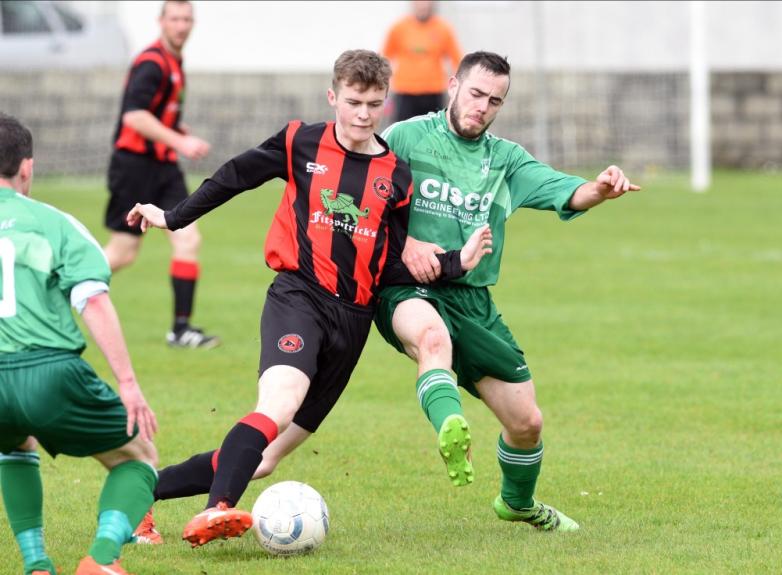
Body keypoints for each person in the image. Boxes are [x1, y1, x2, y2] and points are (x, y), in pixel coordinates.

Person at [126, 49, 492, 548]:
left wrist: (456, 263)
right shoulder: (301, 141)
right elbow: (234, 176)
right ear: (333, 96)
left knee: (267, 457)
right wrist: (174, 216)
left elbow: (388, 263)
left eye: (374, 104)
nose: (363, 114)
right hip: (298, 296)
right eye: (353, 102)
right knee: (278, 402)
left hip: (353, 321)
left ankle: (138, 491)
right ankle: (217, 509)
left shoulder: (396, 176)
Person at [374, 51, 641, 531]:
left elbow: (565, 189)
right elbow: (363, 195)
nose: (482, 106)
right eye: (475, 93)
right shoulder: (405, 137)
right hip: (407, 289)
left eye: (494, 101)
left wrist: (600, 188)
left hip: (475, 302)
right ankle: (450, 428)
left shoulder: (506, 159)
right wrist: (408, 241)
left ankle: (518, 504)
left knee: (527, 423)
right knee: (433, 341)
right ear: (452, 84)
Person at [0, 113, 159, 575]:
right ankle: (103, 560)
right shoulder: (56, 224)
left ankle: (37, 565)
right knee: (140, 457)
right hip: (48, 371)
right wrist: (127, 383)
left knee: (14, 445)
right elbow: (92, 299)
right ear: (27, 168)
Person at [103, 0, 219, 349]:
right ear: (161, 21)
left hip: (164, 167)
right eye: (175, 19)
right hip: (135, 166)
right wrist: (180, 141)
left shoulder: (174, 61)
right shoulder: (152, 63)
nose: (182, 25)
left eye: (187, 19)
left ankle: (181, 330)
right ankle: (54, 291)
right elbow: (134, 117)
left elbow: (155, 112)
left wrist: (173, 128)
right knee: (123, 252)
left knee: (187, 238)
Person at [382, 0, 462, 122]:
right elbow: (385, 58)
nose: (423, 5)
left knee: (434, 133)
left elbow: (457, 60)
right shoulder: (399, 28)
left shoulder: (444, 28)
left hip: (433, 91)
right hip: (405, 92)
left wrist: (460, 88)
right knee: (402, 133)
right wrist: (383, 86)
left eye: (426, 2)